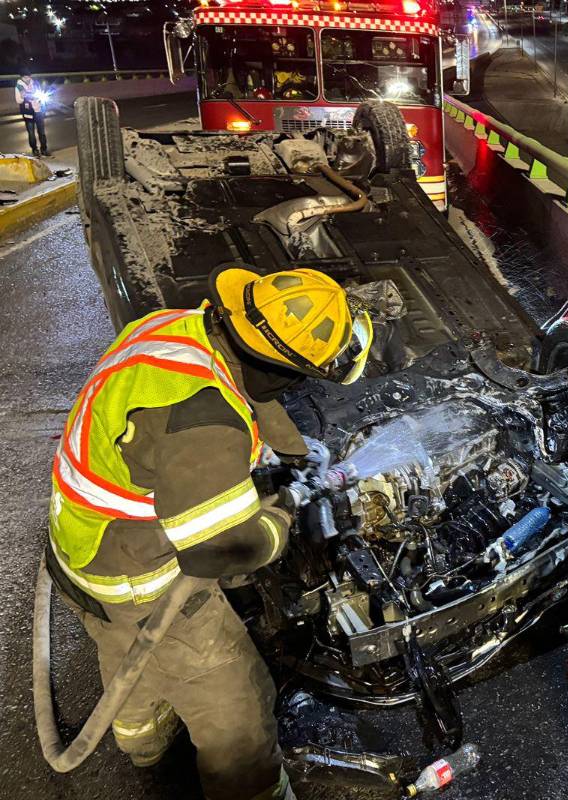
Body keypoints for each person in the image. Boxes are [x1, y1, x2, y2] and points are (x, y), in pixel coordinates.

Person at [45, 267, 373, 800]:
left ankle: (144, 741)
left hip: (76, 540)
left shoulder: (182, 330)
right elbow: (221, 549)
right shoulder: (205, 427)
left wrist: (295, 454)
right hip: (135, 574)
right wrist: (283, 514)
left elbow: (252, 389)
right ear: (278, 370)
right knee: (235, 703)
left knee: (124, 649)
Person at [15, 68, 50, 157]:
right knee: (31, 132)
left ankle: (44, 149)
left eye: (28, 77)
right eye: (25, 77)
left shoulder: (35, 84)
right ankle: (35, 150)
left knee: (41, 131)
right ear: (21, 77)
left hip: (38, 110)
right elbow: (18, 100)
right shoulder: (19, 86)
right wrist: (23, 97)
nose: (27, 79)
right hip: (27, 112)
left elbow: (41, 94)